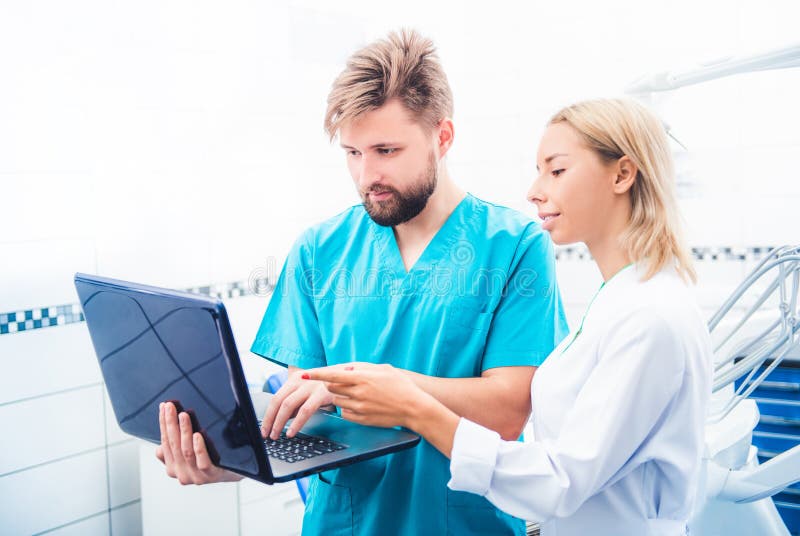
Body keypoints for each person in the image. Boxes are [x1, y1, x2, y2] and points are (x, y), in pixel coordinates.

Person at [156, 29, 568, 535]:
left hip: (460, 521)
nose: (365, 173)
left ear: (443, 137)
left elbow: (508, 410)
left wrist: (387, 387)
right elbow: (303, 403)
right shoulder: (319, 249)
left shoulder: (514, 245)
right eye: (352, 152)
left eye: (386, 150)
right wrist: (230, 459)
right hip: (343, 523)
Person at [307, 98, 713, 535]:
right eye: (354, 153)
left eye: (556, 170)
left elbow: (559, 481)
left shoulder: (650, 317)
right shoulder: (617, 300)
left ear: (622, 174)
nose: (535, 191)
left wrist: (411, 404)